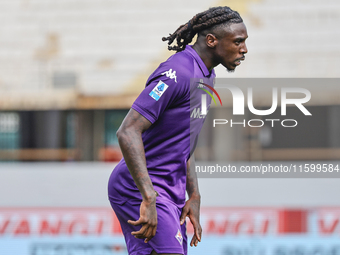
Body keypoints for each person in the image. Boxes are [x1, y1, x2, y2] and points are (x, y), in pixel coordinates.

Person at [108, 6, 248, 255]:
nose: (244, 49)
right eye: (238, 41)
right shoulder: (177, 74)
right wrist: (148, 196)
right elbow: (127, 131)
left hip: (169, 192)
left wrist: (193, 194)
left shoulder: (208, 76)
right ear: (212, 40)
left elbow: (186, 142)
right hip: (139, 188)